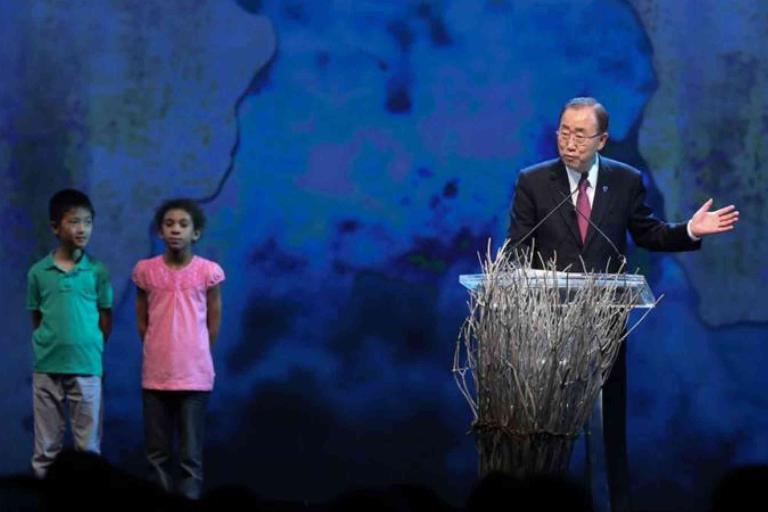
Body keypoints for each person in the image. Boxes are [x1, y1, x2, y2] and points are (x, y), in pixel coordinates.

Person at [506, 97, 739, 511]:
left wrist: (689, 230)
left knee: (606, 431)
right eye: (564, 131)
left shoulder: (626, 181)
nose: (569, 142)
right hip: (544, 329)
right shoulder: (534, 182)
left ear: (602, 140)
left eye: (580, 134)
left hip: (603, 328)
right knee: (540, 432)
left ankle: (612, 504)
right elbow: (518, 251)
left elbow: (649, 233)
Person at [132, 198, 224, 499]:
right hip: (156, 374)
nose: (176, 230)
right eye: (169, 224)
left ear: (195, 233)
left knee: (190, 454)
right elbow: (142, 318)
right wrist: (157, 349)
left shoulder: (207, 271)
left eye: (183, 225)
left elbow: (213, 318)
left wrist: (196, 352)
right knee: (157, 453)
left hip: (194, 376)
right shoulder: (146, 271)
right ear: (160, 231)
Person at [26, 189, 113, 478]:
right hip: (47, 366)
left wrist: (92, 345)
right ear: (55, 227)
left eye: (88, 222)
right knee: (45, 449)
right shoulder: (38, 272)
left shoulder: (97, 271)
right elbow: (37, 316)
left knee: (88, 448)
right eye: (75, 221)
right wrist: (51, 343)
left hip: (86, 366)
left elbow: (105, 315)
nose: (82, 229)